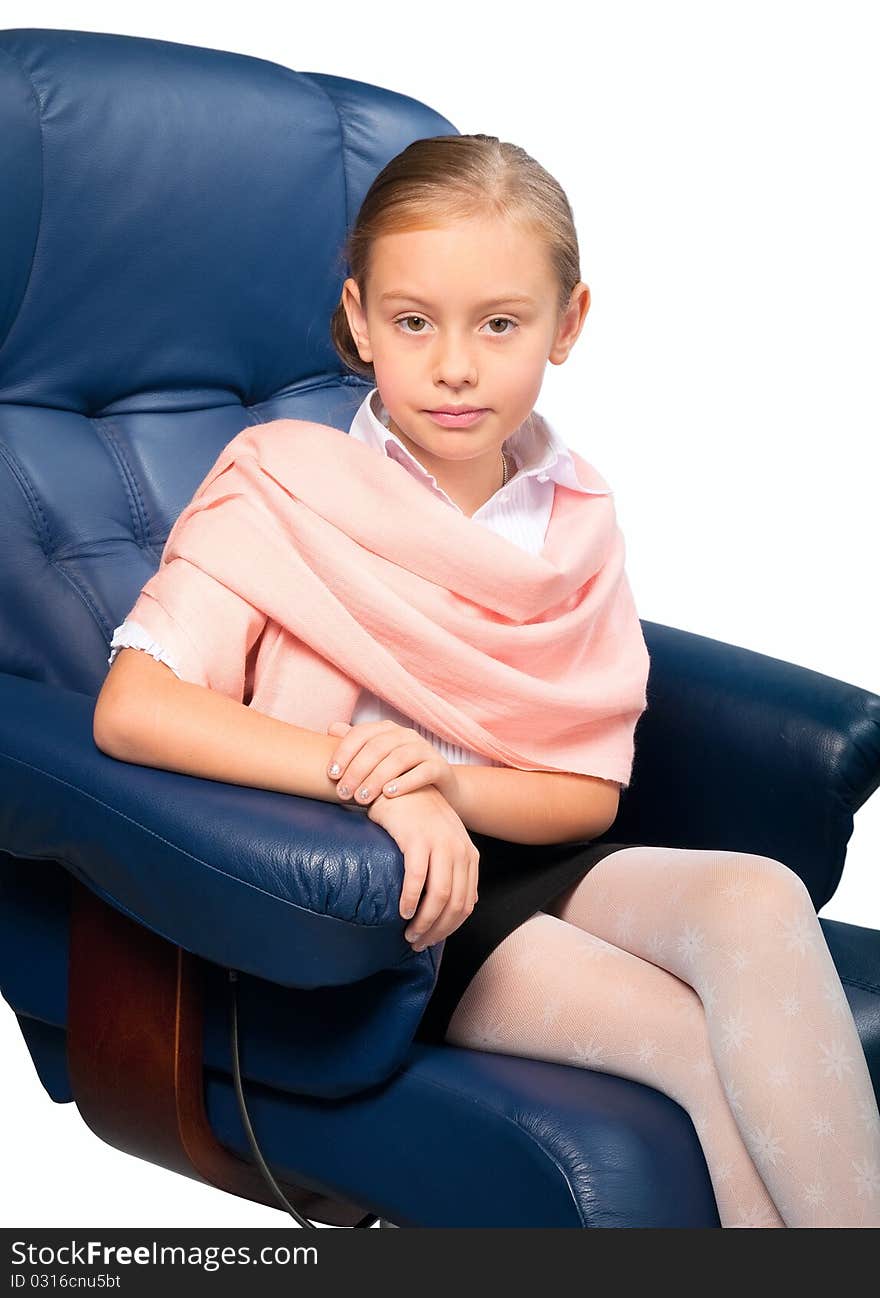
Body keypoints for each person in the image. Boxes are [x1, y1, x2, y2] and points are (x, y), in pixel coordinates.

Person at [97, 134, 880, 1229]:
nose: (453, 366)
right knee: (697, 1047)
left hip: (533, 853)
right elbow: (132, 707)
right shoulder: (281, 486)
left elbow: (585, 795)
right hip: (386, 907)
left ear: (569, 325)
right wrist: (369, 780)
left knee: (760, 894)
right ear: (360, 318)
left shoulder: (574, 516)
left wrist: (447, 784)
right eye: (413, 322)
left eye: (499, 324)